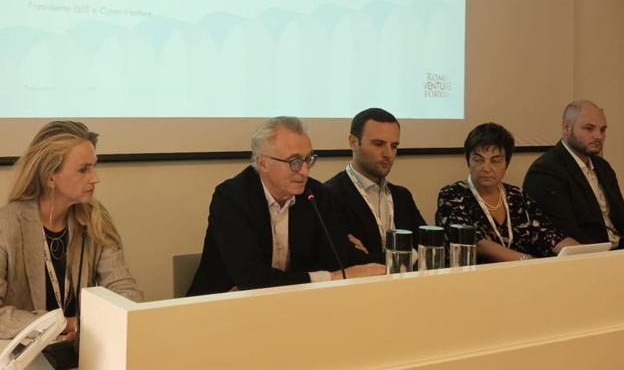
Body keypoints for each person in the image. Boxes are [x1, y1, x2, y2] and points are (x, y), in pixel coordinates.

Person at [188, 117, 383, 295]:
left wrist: (389, 262)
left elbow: (341, 259)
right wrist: (333, 277)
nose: (304, 171)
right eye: (294, 161)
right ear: (263, 163)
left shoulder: (315, 195)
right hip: (219, 305)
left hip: (293, 303)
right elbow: (253, 280)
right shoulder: (231, 198)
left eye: (308, 160)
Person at [0, 121, 142, 340]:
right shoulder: (6, 224)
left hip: (85, 349)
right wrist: (64, 324)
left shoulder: (95, 219)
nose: (95, 178)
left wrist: (96, 325)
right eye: (84, 169)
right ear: (50, 176)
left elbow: (125, 291)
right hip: (28, 352)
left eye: (93, 167)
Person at [436, 123, 576, 262]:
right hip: (479, 274)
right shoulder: (452, 195)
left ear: (506, 163)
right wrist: (528, 261)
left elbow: (550, 235)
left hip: (524, 272)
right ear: (468, 161)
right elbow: (477, 243)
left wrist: (582, 254)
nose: (486, 168)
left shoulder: (518, 196)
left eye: (495, 161)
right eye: (478, 160)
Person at [523, 100, 624, 248]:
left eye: (602, 130)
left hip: (623, 251)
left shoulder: (603, 166)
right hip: (589, 255)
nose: (598, 136)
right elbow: (563, 233)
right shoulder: (545, 171)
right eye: (589, 128)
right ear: (566, 128)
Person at [325, 108, 425, 263]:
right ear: (353, 142)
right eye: (379, 144)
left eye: (394, 146)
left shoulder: (402, 196)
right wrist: (409, 255)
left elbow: (428, 248)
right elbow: (348, 262)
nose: (388, 154)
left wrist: (374, 257)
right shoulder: (329, 196)